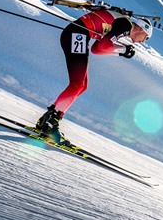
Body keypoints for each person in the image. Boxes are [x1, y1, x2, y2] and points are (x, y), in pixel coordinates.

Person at [36, 9, 153, 144]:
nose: (143, 42)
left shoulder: (123, 26)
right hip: (77, 34)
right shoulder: (126, 25)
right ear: (142, 30)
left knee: (82, 85)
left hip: (77, 35)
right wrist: (123, 49)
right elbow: (103, 45)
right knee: (78, 84)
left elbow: (97, 49)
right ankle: (51, 123)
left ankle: (48, 119)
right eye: (146, 38)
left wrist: (121, 51)